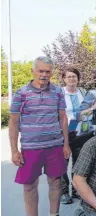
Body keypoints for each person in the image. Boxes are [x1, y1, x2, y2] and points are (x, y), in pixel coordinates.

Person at [9, 56, 71, 216]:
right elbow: (13, 123)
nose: (44, 74)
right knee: (29, 185)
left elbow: (63, 118)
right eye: (40, 70)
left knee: (56, 182)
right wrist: (14, 150)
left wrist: (66, 144)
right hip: (30, 148)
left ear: (52, 73)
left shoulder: (58, 92)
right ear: (33, 71)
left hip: (55, 146)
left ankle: (54, 214)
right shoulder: (21, 93)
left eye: (47, 71)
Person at [60, 67, 89, 204]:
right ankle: (64, 191)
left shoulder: (83, 92)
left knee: (79, 164)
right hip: (63, 133)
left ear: (78, 78)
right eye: (69, 77)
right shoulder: (59, 93)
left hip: (81, 133)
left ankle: (78, 189)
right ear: (64, 79)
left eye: (74, 76)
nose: (72, 79)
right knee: (62, 164)